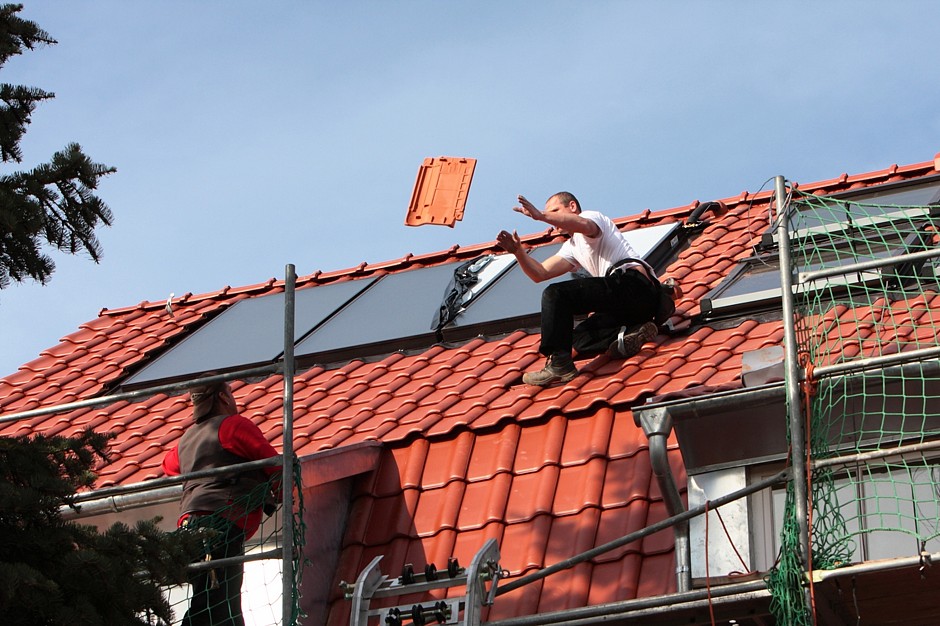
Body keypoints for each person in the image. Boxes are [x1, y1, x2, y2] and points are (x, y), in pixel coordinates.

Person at [497, 192, 660, 386]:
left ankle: (559, 365)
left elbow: (582, 225)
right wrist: (518, 253)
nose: (552, 221)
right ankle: (629, 334)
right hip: (627, 308)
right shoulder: (572, 247)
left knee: (556, 294)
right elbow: (540, 273)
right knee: (575, 340)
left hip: (635, 286)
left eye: (555, 211)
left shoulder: (592, 218)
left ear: (572, 207)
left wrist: (540, 215)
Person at [162, 380, 280, 626]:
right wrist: (282, 495)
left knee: (220, 600)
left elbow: (169, 465)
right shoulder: (233, 426)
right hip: (221, 523)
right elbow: (274, 464)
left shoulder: (186, 440)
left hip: (191, 526)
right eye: (231, 393)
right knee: (217, 603)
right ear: (224, 398)